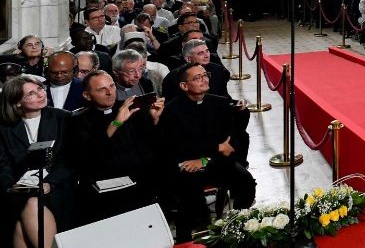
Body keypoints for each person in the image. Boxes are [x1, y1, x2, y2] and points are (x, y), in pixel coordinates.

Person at [158, 62, 255, 242]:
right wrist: (215, 148)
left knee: (246, 182)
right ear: (184, 86)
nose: (204, 80)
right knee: (188, 198)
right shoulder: (171, 111)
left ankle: (237, 225)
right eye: (197, 78)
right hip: (185, 166)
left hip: (215, 162)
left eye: (205, 75)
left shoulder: (220, 102)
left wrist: (205, 158)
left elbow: (230, 140)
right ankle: (187, 239)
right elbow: (177, 147)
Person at [67, 71, 165, 225]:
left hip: (138, 180)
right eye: (101, 89)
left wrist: (155, 118)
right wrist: (116, 122)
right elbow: (89, 155)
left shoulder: (134, 110)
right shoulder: (78, 120)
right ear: (87, 95)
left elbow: (153, 145)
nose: (109, 92)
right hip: (102, 185)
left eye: (112, 86)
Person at [0, 77, 73, 248]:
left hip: (55, 187)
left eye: (40, 89)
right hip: (19, 191)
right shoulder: (5, 127)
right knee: (25, 207)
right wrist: (11, 186)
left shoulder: (63, 118)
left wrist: (49, 184)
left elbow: (69, 159)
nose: (40, 94)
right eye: (31, 94)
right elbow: (2, 165)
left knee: (27, 213)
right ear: (17, 102)